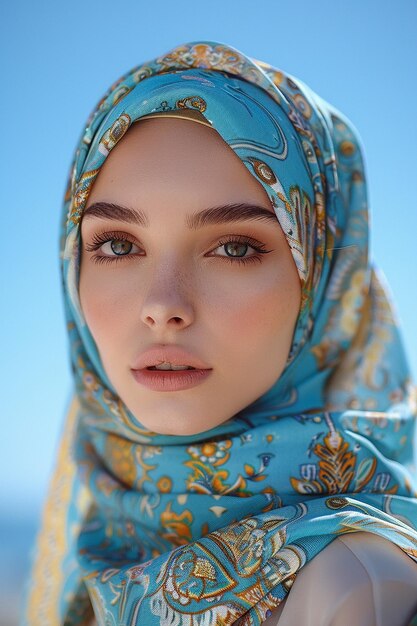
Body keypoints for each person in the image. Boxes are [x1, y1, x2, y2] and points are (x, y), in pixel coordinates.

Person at [22, 40, 417, 625]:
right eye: (118, 245)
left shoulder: (350, 582)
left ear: (325, 282)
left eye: (234, 248)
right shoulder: (99, 530)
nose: (163, 306)